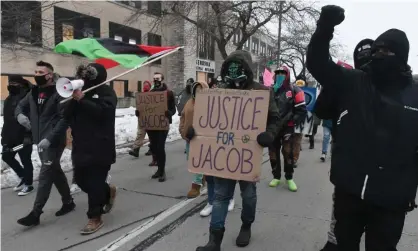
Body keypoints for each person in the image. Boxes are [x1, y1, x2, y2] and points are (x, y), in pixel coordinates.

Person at [307, 5, 418, 251]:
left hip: (391, 202)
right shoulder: (355, 81)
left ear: (401, 56)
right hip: (350, 194)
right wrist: (325, 27)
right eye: (376, 50)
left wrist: (408, 189)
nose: (379, 55)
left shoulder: (415, 94)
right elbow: (317, 63)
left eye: (386, 51)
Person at [193, 50, 282, 250]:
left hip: (247, 154)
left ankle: (246, 225)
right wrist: (194, 131)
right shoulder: (220, 90)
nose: (234, 74)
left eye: (238, 68)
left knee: (248, 195)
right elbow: (207, 119)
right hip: (225, 154)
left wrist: (269, 134)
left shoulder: (263, 92)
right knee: (221, 196)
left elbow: (275, 118)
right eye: (230, 69)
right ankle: (214, 240)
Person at [314, 38, 375, 251]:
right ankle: (334, 240)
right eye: (362, 57)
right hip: (348, 164)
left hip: (379, 169)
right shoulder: (347, 83)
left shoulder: (391, 85)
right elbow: (321, 111)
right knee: (342, 208)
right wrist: (331, 87)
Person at [16, 61, 75, 227]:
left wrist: (50, 138)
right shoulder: (33, 92)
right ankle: (68, 201)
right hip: (39, 140)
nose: (37, 75)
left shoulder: (60, 92)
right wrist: (20, 115)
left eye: (41, 72)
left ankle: (36, 213)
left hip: (53, 141)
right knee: (54, 171)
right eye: (35, 72)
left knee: (45, 174)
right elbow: (20, 106)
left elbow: (64, 119)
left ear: (49, 75)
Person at [63, 63, 117, 235]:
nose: (84, 80)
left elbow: (103, 113)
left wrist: (83, 100)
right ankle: (107, 191)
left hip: (101, 145)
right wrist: (73, 99)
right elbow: (65, 115)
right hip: (81, 146)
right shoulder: (79, 93)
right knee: (80, 180)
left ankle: (95, 217)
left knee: (94, 183)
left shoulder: (107, 92)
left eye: (87, 77)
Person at [180, 81, 236, 212]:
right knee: (193, 161)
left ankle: (202, 188)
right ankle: (205, 184)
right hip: (189, 139)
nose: (198, 92)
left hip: (206, 142)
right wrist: (183, 131)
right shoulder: (189, 102)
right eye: (196, 90)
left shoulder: (212, 103)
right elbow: (183, 117)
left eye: (201, 90)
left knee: (206, 166)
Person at [268, 66, 307, 192]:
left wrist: (291, 120)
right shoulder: (269, 90)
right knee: (273, 153)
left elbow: (301, 111)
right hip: (272, 128)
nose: (280, 75)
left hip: (287, 127)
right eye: (278, 73)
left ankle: (289, 177)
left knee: (288, 152)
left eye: (283, 73)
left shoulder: (295, 90)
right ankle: (276, 176)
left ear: (288, 74)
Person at [1, 75, 34, 196]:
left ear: (21, 84)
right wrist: (4, 137)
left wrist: (28, 136)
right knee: (6, 156)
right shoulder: (9, 99)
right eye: (10, 82)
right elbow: (7, 120)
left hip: (23, 136)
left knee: (26, 160)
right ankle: (23, 176)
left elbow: (32, 119)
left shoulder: (27, 99)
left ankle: (29, 184)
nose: (10, 85)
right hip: (10, 136)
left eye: (14, 83)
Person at [145, 72, 176, 182]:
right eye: (154, 79)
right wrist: (139, 113)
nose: (156, 80)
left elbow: (173, 109)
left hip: (163, 124)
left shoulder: (169, 93)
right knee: (154, 147)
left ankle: (162, 171)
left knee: (160, 147)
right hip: (152, 125)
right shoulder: (150, 93)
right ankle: (159, 169)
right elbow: (145, 108)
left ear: (162, 79)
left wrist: (170, 113)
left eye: (158, 78)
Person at [129, 80, 152, 158]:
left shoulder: (153, 96)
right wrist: (137, 111)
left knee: (152, 135)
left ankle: (152, 149)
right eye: (144, 85)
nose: (145, 86)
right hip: (142, 119)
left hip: (151, 119)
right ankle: (136, 150)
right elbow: (139, 106)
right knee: (140, 134)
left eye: (146, 85)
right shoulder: (140, 96)